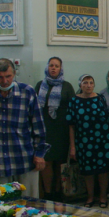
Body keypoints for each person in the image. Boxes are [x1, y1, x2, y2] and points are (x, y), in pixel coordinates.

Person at [0, 58, 49, 199]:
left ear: (14, 74)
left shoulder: (27, 92)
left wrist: (40, 153)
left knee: (29, 203)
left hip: (25, 157)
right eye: (0, 77)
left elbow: (38, 127)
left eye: (8, 76)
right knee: (3, 204)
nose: (4, 81)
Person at [67, 75, 109, 208]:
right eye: (85, 83)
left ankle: (103, 197)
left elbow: (108, 121)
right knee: (88, 171)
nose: (88, 85)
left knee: (103, 170)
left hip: (102, 140)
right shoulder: (74, 101)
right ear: (80, 85)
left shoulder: (100, 98)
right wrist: (73, 147)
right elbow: (71, 126)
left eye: (91, 83)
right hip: (84, 141)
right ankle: (90, 197)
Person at [35, 57, 75, 201]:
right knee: (46, 161)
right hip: (44, 130)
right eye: (51, 65)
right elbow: (33, 107)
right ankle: (47, 193)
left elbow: (73, 110)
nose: (53, 68)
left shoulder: (67, 86)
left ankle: (58, 192)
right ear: (47, 67)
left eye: (56, 66)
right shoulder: (40, 85)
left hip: (61, 131)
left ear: (60, 69)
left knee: (59, 163)